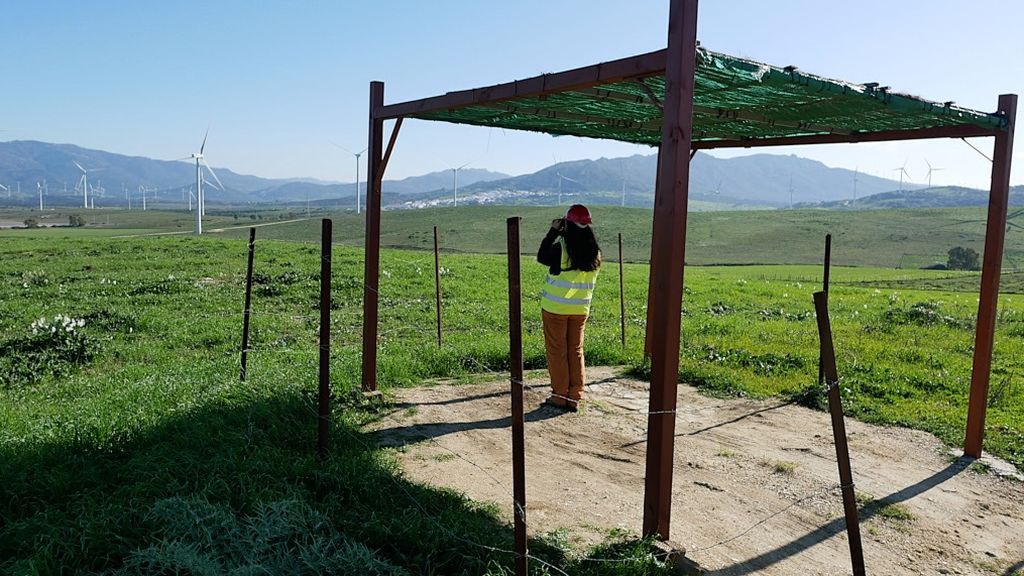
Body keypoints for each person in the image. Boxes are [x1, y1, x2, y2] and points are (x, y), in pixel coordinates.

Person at [536, 204, 601, 412]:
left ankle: (559, 395)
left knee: (557, 352)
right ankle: (574, 396)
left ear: (568, 224)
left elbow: (541, 256)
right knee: (576, 351)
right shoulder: (595, 252)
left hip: (555, 308)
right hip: (580, 309)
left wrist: (553, 231)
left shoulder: (561, 248)